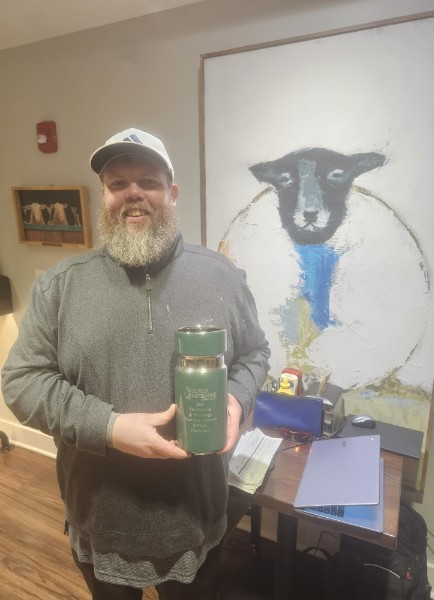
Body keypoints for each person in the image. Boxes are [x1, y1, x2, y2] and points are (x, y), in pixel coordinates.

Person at [1, 128, 270, 600]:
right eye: (117, 183)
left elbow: (255, 353)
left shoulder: (222, 276)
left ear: (172, 192)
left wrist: (235, 397)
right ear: (103, 194)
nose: (133, 194)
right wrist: (108, 428)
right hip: (100, 518)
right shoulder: (60, 286)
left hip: (195, 517)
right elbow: (21, 382)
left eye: (148, 181)